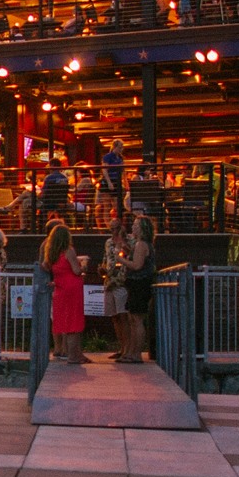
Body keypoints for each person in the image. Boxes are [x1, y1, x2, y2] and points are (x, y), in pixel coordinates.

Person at [41, 222, 89, 365]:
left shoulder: (51, 254)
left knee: (65, 320)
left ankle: (77, 354)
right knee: (75, 322)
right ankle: (73, 356)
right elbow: (76, 270)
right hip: (72, 287)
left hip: (60, 288)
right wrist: (83, 267)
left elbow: (45, 266)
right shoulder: (69, 251)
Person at [119, 215, 156, 363]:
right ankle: (132, 352)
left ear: (142, 229)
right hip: (136, 284)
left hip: (140, 284)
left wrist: (120, 259)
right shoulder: (140, 244)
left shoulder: (142, 245)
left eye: (136, 225)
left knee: (137, 319)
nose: (133, 227)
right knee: (132, 318)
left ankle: (136, 354)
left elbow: (137, 265)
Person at [101, 219, 131, 359]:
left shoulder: (128, 241)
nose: (114, 232)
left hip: (121, 282)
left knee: (123, 316)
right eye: (111, 229)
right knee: (114, 317)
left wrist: (124, 246)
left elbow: (131, 259)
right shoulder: (108, 243)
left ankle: (128, 348)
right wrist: (102, 268)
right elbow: (106, 259)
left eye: (116, 228)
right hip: (109, 281)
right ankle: (121, 347)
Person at [100, 139, 126, 219]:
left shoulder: (120, 158)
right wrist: (109, 182)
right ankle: (108, 225)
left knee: (117, 205)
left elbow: (123, 171)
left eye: (122, 148)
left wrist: (125, 182)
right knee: (107, 206)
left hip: (117, 181)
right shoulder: (108, 157)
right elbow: (105, 170)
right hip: (109, 180)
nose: (121, 150)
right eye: (119, 148)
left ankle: (116, 222)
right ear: (114, 147)